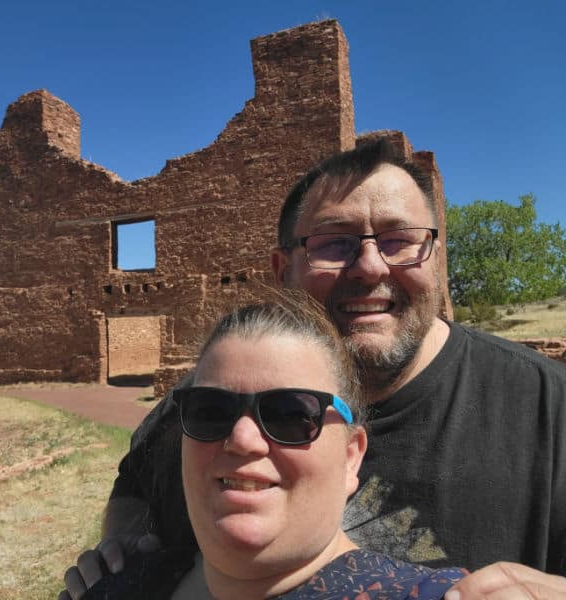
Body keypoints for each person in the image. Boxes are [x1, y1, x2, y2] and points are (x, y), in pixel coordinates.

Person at [61, 139, 566, 599]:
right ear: (284, 272)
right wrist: (121, 548)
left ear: (435, 257)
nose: (370, 267)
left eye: (400, 240)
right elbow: (135, 481)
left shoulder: (548, 406)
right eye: (334, 243)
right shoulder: (200, 405)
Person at [80, 298, 466, 599]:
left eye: (290, 414)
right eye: (210, 411)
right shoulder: (123, 588)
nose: (243, 439)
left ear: (351, 456)